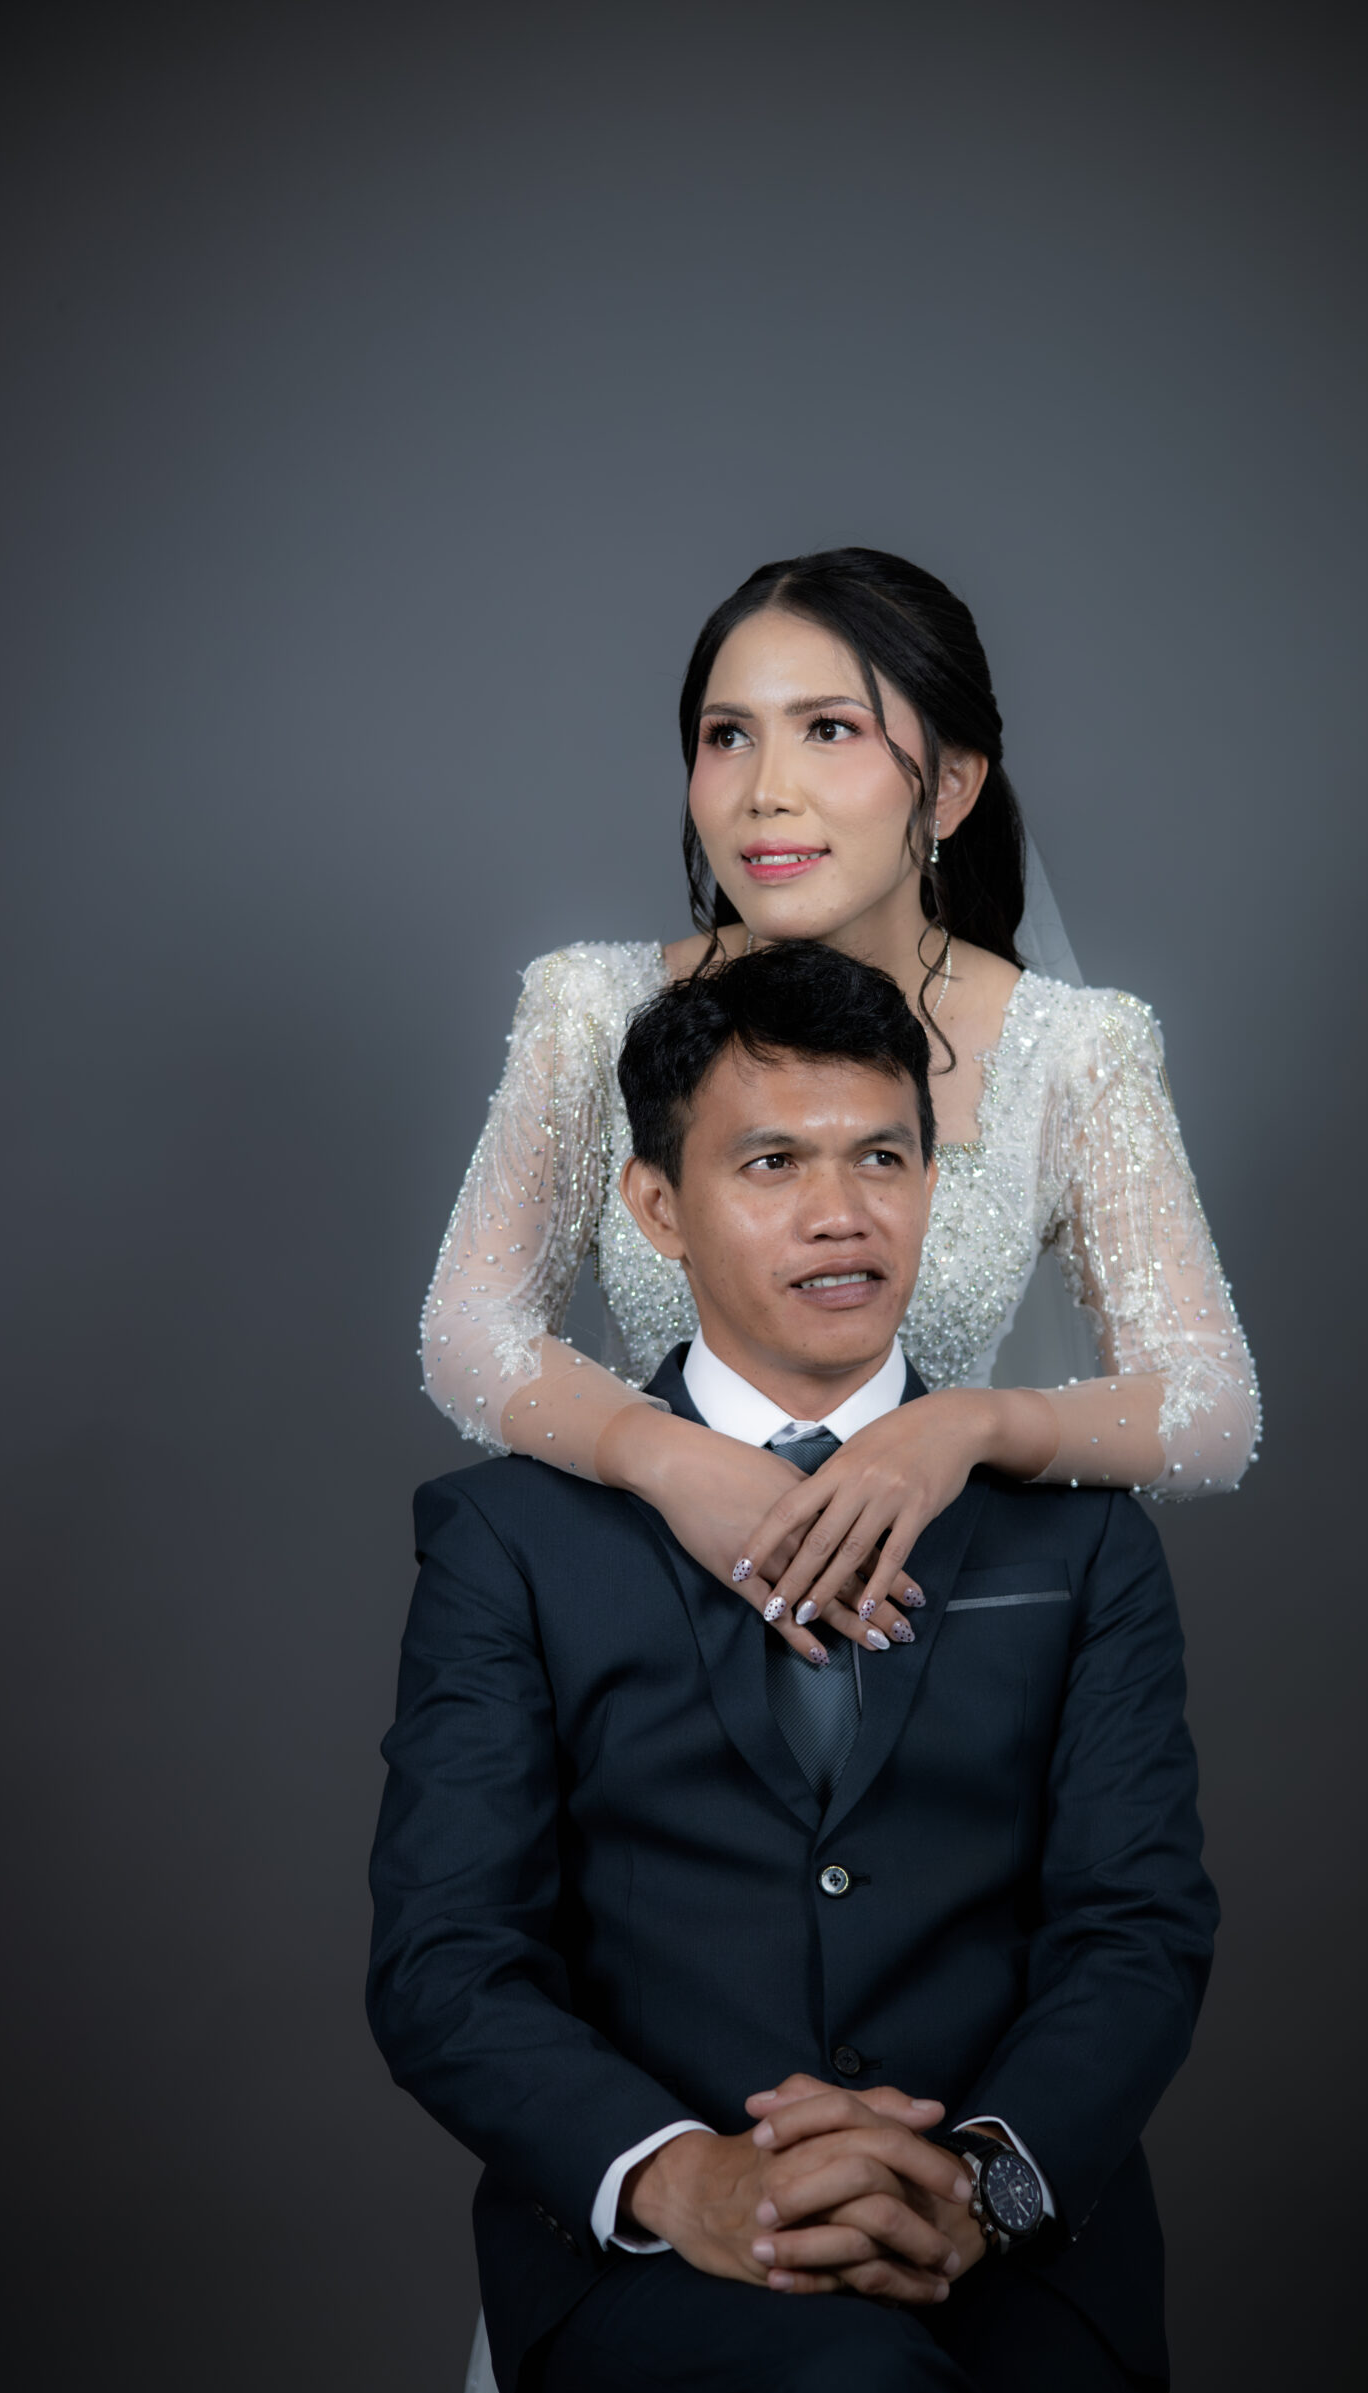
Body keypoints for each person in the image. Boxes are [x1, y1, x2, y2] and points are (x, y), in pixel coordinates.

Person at [368, 943, 1219, 2393]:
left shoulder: (1081, 1543)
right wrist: (684, 2180)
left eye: (880, 1159)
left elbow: (1137, 1933)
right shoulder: (512, 1543)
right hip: (655, 2262)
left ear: (930, 1186)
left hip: (1013, 2256)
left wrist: (976, 2185)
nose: (842, 1214)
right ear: (654, 1206)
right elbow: (444, 1963)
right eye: (771, 1164)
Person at [420, 547, 1260, 1693]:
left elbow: (1211, 1406)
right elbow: (469, 1326)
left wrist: (962, 1429)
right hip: (650, 1616)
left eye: (828, 729)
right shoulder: (592, 1008)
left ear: (949, 785)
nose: (766, 789)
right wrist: (664, 1458)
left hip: (937, 1632)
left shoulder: (1075, 1050)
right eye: (728, 735)